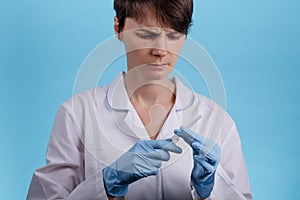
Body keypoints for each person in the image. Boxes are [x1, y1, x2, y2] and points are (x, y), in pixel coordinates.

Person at [27, 0, 252, 199]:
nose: (161, 50)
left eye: (173, 36)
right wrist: (105, 183)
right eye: (147, 34)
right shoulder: (76, 114)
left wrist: (209, 190)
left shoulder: (216, 120)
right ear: (118, 27)